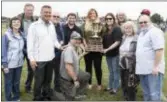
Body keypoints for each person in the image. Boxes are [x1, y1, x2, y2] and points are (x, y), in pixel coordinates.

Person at [27, 5, 63, 101]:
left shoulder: (51, 25)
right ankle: (37, 98)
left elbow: (54, 40)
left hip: (50, 58)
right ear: (41, 13)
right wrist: (32, 59)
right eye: (45, 12)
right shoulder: (34, 26)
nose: (48, 14)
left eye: (49, 12)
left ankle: (46, 95)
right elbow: (30, 44)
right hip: (39, 60)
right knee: (39, 81)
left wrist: (60, 46)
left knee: (48, 80)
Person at [136, 15, 165, 101]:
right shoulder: (141, 33)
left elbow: (159, 50)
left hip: (153, 70)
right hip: (143, 69)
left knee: (154, 94)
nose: (143, 24)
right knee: (146, 93)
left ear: (150, 22)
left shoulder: (155, 32)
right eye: (141, 22)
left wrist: (156, 67)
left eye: (145, 22)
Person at [60, 31, 90, 101]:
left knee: (86, 75)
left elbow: (75, 59)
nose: (78, 41)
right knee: (70, 98)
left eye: (79, 39)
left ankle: (79, 93)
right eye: (76, 39)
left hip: (74, 73)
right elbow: (68, 67)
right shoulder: (69, 50)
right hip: (67, 79)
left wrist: (83, 54)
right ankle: (67, 90)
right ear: (71, 39)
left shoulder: (72, 48)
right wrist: (75, 80)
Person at [2, 17, 24, 101]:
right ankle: (8, 99)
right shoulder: (6, 35)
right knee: (8, 83)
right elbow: (3, 50)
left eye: (18, 22)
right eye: (14, 22)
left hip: (19, 64)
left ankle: (16, 97)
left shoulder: (22, 34)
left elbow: (24, 48)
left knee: (16, 82)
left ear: (20, 23)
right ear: (11, 24)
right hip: (9, 64)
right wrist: (4, 64)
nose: (16, 23)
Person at [81, 8, 104, 90]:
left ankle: (99, 84)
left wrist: (100, 42)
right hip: (88, 49)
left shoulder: (100, 24)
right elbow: (82, 36)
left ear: (96, 14)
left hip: (97, 49)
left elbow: (102, 35)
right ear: (88, 15)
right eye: (90, 13)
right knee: (88, 67)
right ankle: (89, 83)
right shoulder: (84, 24)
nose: (92, 15)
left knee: (98, 67)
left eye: (94, 13)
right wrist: (85, 44)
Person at [16, 3, 37, 93]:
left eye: (31, 10)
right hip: (20, 47)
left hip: (31, 48)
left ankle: (28, 87)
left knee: (31, 69)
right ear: (24, 10)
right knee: (17, 67)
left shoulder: (36, 20)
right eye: (28, 10)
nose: (30, 12)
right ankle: (15, 87)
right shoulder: (18, 19)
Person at [102, 13, 123, 94]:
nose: (108, 20)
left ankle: (115, 88)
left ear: (113, 19)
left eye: (110, 18)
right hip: (108, 55)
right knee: (110, 71)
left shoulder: (117, 28)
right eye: (107, 19)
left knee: (115, 71)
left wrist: (107, 49)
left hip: (115, 54)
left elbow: (117, 42)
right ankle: (109, 86)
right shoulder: (106, 29)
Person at [119, 21, 140, 100]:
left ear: (133, 28)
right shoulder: (124, 38)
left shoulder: (137, 38)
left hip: (131, 66)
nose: (127, 30)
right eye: (126, 28)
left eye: (129, 28)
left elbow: (139, 53)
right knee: (123, 84)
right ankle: (126, 98)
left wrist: (127, 55)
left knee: (130, 85)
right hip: (122, 64)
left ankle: (131, 99)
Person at [51, 11, 64, 92]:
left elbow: (62, 37)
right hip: (48, 53)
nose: (56, 18)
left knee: (58, 72)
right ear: (51, 17)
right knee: (47, 74)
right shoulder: (48, 26)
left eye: (57, 17)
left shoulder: (61, 26)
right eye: (54, 16)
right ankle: (46, 89)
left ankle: (57, 87)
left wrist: (62, 41)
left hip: (58, 53)